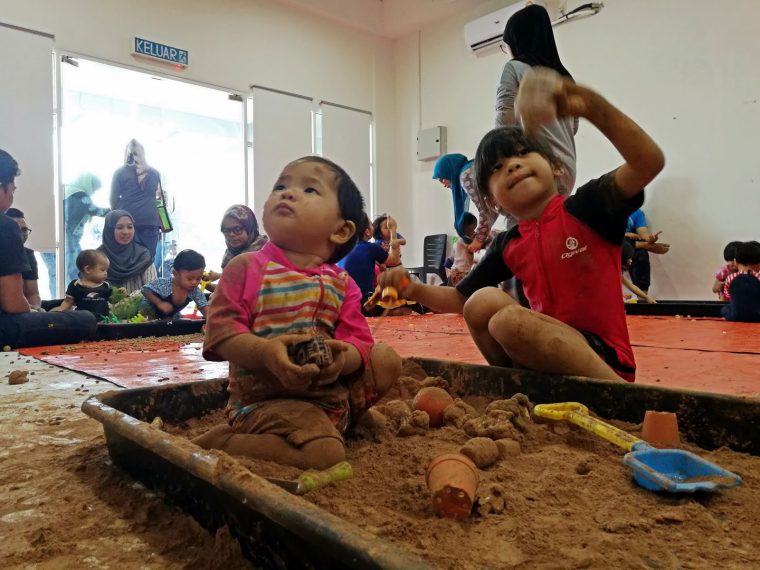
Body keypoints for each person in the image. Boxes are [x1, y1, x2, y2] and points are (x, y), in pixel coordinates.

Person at [380, 68, 665, 383]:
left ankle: (621, 399)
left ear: (556, 167)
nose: (512, 165)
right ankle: (518, 389)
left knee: (508, 322)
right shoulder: (511, 243)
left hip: (604, 362)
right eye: (498, 168)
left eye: (522, 154)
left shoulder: (587, 207)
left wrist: (590, 106)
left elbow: (647, 162)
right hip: (544, 357)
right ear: (492, 200)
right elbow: (460, 300)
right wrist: (412, 288)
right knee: (480, 302)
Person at [193, 156, 401, 470]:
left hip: (329, 393)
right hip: (267, 401)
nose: (287, 193)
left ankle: (341, 421)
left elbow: (360, 344)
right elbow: (221, 334)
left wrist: (341, 359)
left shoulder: (342, 284)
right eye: (280, 186)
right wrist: (264, 352)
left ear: (342, 230)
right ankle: (223, 442)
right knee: (325, 455)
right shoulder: (247, 268)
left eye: (309, 189)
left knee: (386, 360)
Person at [0, 149, 97, 348]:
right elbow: (13, 304)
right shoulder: (5, 226)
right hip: (4, 327)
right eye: (12, 190)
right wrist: (34, 311)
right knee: (85, 319)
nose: (11, 198)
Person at [495, 3, 578, 198]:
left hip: (536, 169)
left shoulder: (514, 68)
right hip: (567, 170)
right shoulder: (566, 78)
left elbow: (503, 120)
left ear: (517, 41)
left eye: (506, 46)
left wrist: (496, 162)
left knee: (518, 224)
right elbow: (573, 128)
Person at [110, 139, 162, 260]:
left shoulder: (119, 173)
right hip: (150, 220)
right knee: (148, 258)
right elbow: (158, 196)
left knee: (126, 259)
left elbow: (113, 200)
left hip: (127, 221)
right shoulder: (155, 173)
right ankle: (147, 279)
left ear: (126, 154)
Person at [339, 214, 401, 316]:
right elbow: (395, 260)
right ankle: (389, 312)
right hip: (366, 303)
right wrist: (393, 230)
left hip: (345, 305)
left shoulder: (344, 249)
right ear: (367, 231)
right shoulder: (370, 247)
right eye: (371, 224)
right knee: (407, 303)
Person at [433, 154, 496, 254]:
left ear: (450, 171)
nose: (443, 184)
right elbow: (492, 209)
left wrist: (479, 239)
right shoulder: (472, 167)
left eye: (442, 179)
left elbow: (485, 209)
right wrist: (483, 235)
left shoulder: (465, 175)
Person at [97, 210, 157, 293]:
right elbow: (88, 287)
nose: (125, 232)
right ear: (109, 230)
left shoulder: (143, 255)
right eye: (119, 227)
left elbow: (153, 290)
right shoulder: (97, 257)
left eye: (130, 227)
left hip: (140, 305)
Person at [64, 173, 108, 283]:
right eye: (94, 188)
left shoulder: (67, 191)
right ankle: (75, 293)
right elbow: (96, 210)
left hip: (64, 236)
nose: (93, 192)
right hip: (70, 238)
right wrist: (115, 211)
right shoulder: (79, 195)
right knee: (77, 268)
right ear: (88, 183)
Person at [139, 249, 209, 319]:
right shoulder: (165, 284)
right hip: (146, 314)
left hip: (168, 317)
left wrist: (211, 320)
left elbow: (203, 306)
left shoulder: (195, 291)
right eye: (189, 278)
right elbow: (145, 290)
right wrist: (159, 303)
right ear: (175, 273)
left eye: (198, 279)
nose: (194, 282)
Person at [51, 249, 113, 318]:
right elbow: (68, 302)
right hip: (82, 321)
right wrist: (60, 310)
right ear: (88, 269)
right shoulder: (75, 285)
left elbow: (112, 300)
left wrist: (120, 293)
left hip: (104, 321)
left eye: (106, 270)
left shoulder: (105, 285)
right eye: (102, 270)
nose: (106, 273)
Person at [625, 208, 670, 297]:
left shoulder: (636, 212)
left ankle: (642, 298)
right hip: (608, 248)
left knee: (641, 253)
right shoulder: (606, 209)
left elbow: (643, 234)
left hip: (626, 247)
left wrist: (650, 239)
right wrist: (650, 246)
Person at [5, 208, 41, 310]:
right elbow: (9, 299)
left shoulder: (28, 254)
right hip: (8, 312)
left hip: (24, 309)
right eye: (16, 230)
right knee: (85, 318)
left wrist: (37, 308)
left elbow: (33, 293)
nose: (21, 235)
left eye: (24, 230)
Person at [721, 241, 760, 322]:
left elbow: (727, 298)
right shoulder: (759, 277)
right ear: (759, 264)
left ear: (735, 261)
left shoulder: (730, 278)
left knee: (724, 309)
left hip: (735, 316)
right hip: (757, 316)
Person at [220, 204, 268, 269]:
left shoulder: (265, 252)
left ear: (250, 229)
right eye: (226, 230)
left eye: (237, 229)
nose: (231, 234)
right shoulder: (229, 254)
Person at [448, 212, 478, 287]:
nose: (474, 231)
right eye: (473, 228)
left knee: (455, 291)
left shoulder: (456, 239)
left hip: (456, 271)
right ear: (465, 227)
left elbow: (461, 255)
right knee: (461, 292)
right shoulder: (463, 239)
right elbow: (472, 246)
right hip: (460, 273)